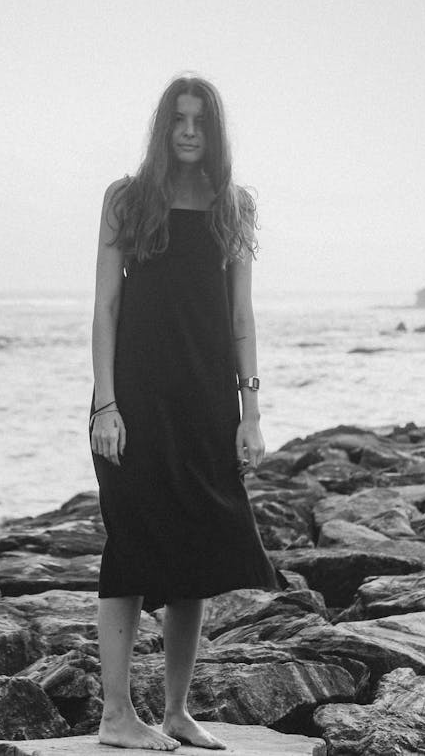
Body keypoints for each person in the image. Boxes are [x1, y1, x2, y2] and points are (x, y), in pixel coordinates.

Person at [88, 75, 281, 751]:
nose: (190, 129)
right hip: (135, 398)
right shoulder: (127, 200)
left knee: (198, 547)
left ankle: (174, 710)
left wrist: (250, 410)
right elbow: (106, 308)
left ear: (215, 128)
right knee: (131, 543)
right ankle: (115, 715)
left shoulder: (233, 207)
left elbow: (241, 317)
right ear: (164, 126)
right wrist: (105, 402)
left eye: (201, 119)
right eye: (179, 118)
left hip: (206, 399)